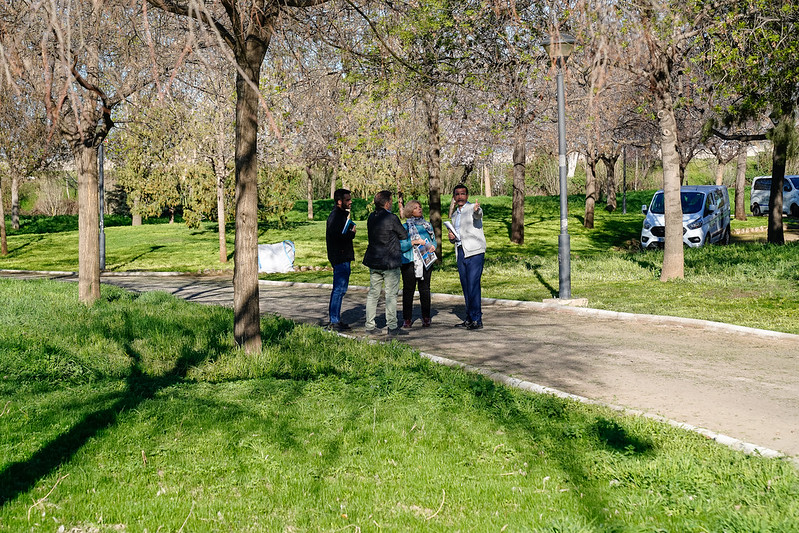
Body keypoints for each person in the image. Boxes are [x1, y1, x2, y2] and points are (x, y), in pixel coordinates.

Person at [362, 190, 408, 335]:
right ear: (387, 203)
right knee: (391, 295)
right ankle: (392, 326)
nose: (392, 203)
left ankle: (370, 325)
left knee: (373, 294)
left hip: (374, 260)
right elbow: (403, 234)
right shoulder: (392, 218)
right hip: (390, 261)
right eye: (391, 201)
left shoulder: (371, 217)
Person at [447, 184, 486, 330]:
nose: (460, 197)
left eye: (463, 194)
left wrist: (477, 210)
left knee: (473, 285)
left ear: (467, 196)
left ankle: (477, 319)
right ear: (454, 197)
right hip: (461, 251)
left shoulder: (472, 208)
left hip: (474, 251)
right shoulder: (455, 214)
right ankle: (469, 318)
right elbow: (457, 235)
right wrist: (451, 237)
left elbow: (478, 215)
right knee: (465, 285)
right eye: (457, 194)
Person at [399, 200, 437, 328]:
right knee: (408, 291)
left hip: (426, 261)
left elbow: (433, 241)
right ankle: (407, 319)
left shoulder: (427, 225)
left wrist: (432, 247)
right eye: (415, 208)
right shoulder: (405, 227)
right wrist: (414, 242)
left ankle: (426, 317)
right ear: (410, 211)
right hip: (409, 262)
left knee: (425, 290)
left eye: (420, 207)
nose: (419, 209)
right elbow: (401, 246)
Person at [325, 188, 356, 332]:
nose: (350, 202)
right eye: (347, 200)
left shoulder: (340, 216)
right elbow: (336, 237)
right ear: (339, 202)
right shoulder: (336, 216)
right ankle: (334, 320)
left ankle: (336, 319)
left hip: (342, 256)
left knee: (341, 289)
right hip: (340, 256)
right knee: (338, 289)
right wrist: (351, 234)